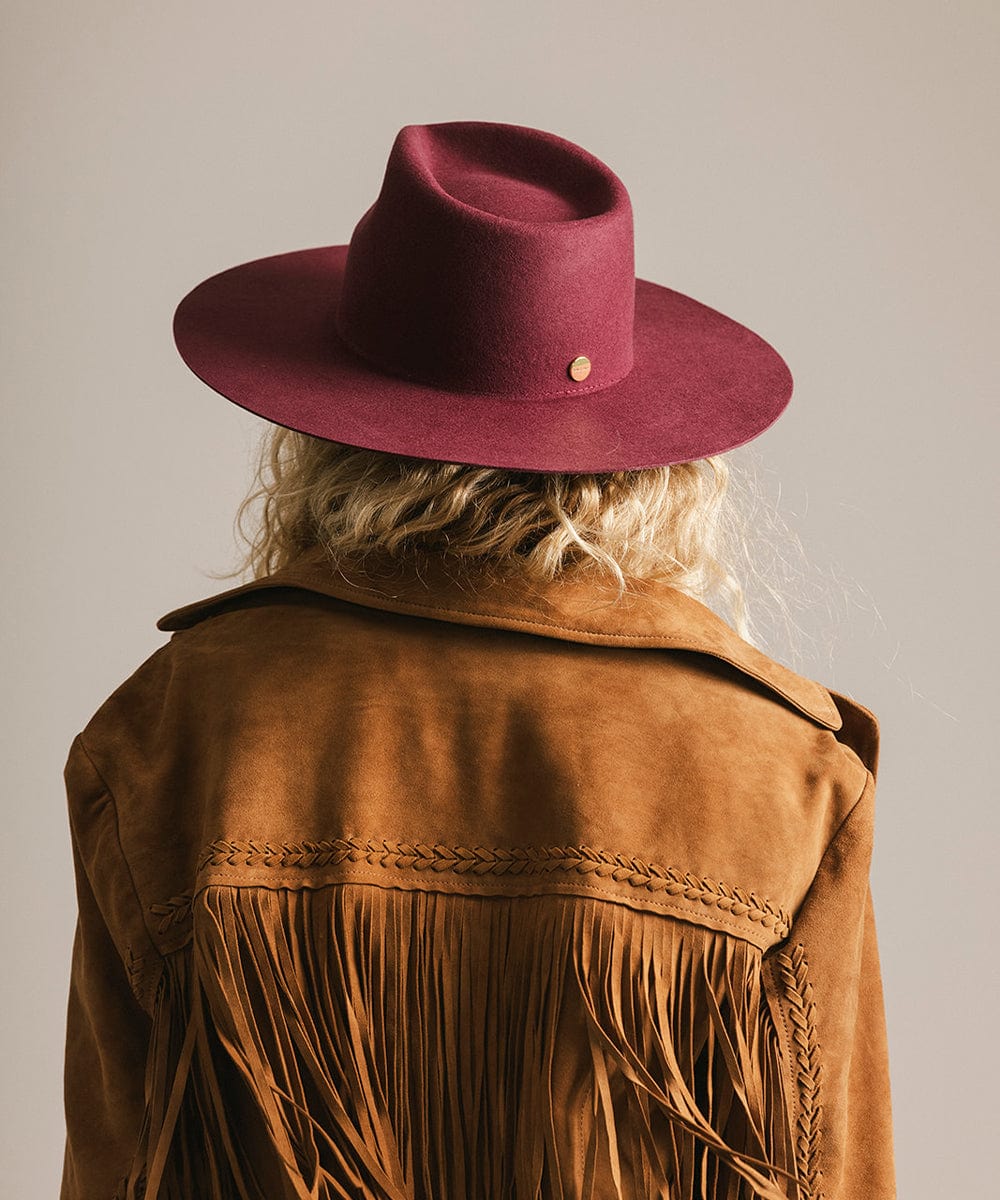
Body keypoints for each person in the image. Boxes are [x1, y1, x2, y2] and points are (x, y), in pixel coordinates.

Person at [60, 120, 896, 1199]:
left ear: (330, 423)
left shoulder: (176, 729)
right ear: (642, 459)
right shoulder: (781, 776)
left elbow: (119, 1168)